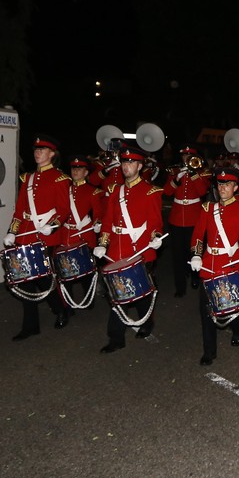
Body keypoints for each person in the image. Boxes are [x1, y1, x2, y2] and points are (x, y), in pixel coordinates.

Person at [96, 143, 166, 353]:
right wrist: (102, 243)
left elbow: (155, 223)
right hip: (115, 251)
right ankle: (116, 338)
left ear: (140, 166)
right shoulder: (114, 190)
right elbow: (108, 220)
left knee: (141, 294)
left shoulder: (150, 191)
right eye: (124, 162)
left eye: (131, 162)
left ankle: (147, 322)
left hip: (139, 250)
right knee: (118, 294)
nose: (126, 166)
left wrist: (156, 237)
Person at [2, 135, 72, 339]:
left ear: (52, 154)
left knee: (43, 278)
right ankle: (31, 326)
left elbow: (64, 210)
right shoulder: (28, 178)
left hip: (45, 236)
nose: (37, 153)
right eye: (36, 149)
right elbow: (20, 210)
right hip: (25, 234)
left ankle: (61, 309)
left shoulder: (60, 178)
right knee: (25, 280)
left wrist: (53, 226)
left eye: (42, 150)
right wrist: (12, 231)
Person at [190, 168, 239, 365]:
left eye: (227, 185)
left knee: (232, 305)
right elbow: (198, 235)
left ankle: (238, 329)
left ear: (235, 187)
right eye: (220, 185)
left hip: (230, 264)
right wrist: (196, 255)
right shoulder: (207, 209)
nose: (222, 188)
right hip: (208, 266)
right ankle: (209, 351)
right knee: (206, 310)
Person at [162, 145, 212, 298]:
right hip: (176, 217)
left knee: (194, 250)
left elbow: (202, 192)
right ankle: (180, 286)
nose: (186, 158)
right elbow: (167, 192)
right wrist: (177, 178)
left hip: (194, 216)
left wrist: (193, 174)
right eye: (184, 155)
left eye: (190, 156)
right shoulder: (174, 171)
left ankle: (196, 276)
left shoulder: (202, 172)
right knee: (177, 253)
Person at [60, 155, 108, 308]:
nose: (75, 171)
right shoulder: (63, 189)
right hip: (65, 234)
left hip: (84, 236)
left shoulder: (92, 192)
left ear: (86, 173)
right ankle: (67, 306)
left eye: (79, 169)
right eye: (74, 168)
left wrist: (98, 223)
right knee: (65, 273)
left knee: (86, 272)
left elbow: (98, 213)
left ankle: (88, 300)